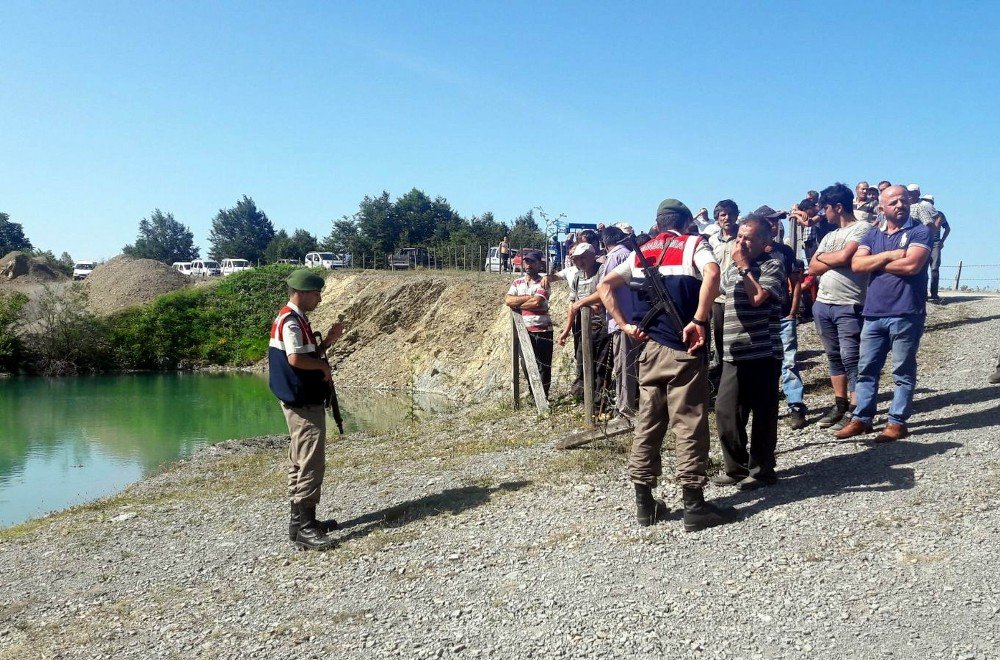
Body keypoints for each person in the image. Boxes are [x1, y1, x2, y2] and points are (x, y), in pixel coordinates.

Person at [598, 198, 737, 532]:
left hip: (650, 349)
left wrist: (625, 324)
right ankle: (694, 504)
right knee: (689, 422)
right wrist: (700, 320)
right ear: (688, 222)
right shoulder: (693, 244)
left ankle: (645, 504)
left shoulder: (642, 252)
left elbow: (604, 286)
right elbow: (713, 272)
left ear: (658, 223)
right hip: (685, 347)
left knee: (648, 421)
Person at [835, 185, 932, 442]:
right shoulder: (872, 234)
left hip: (906, 312)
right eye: (893, 202)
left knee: (902, 370)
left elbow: (912, 265)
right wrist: (889, 255)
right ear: (882, 208)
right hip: (874, 313)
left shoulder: (920, 231)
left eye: (903, 201)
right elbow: (856, 264)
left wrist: (875, 263)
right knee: (866, 368)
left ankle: (897, 422)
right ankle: (862, 418)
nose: (900, 205)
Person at [269, 270, 344, 551]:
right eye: (316, 293)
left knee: (299, 459)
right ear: (301, 292)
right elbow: (296, 359)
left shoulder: (293, 318)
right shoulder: (291, 321)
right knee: (311, 461)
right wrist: (323, 367)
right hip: (302, 402)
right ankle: (306, 527)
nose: (319, 299)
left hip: (299, 399)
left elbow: (304, 353)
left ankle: (297, 522)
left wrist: (327, 344)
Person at [713, 215, 786, 490]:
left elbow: (757, 298)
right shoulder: (732, 267)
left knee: (763, 413)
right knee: (726, 412)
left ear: (765, 242)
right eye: (739, 237)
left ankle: (762, 470)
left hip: (763, 351)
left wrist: (745, 267)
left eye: (749, 238)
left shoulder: (773, 265)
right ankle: (735, 468)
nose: (741, 242)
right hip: (734, 351)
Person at [809, 183, 873, 431]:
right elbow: (812, 266)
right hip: (823, 303)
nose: (823, 213)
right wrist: (828, 260)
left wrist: (825, 259)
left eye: (825, 208)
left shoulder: (863, 229)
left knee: (851, 357)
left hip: (849, 303)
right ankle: (840, 403)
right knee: (834, 356)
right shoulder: (829, 235)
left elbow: (845, 257)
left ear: (838, 207)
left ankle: (858, 409)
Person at [571, 226, 639, 418]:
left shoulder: (615, 257)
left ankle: (624, 411)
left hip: (621, 320)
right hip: (630, 318)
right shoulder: (628, 254)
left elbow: (604, 288)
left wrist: (582, 302)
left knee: (623, 367)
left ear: (603, 242)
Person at [759, 206, 806, 429]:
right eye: (770, 221)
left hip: (783, 314)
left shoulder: (785, 251)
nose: (775, 224)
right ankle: (765, 408)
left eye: (777, 221)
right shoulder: (751, 252)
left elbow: (795, 280)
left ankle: (795, 405)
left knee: (789, 361)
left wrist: (793, 309)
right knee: (762, 364)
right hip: (759, 316)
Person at [557, 243, 607, 401]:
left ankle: (600, 402)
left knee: (601, 365)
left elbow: (604, 293)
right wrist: (566, 330)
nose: (580, 262)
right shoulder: (578, 277)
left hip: (601, 326)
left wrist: (583, 302)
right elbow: (573, 304)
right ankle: (583, 398)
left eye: (583, 258)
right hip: (581, 327)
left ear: (593, 256)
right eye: (577, 259)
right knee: (582, 362)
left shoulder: (602, 271)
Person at [505, 250, 553, 398]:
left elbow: (537, 302)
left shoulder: (544, 282)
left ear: (539, 264)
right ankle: (534, 394)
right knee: (526, 364)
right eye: (526, 262)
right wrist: (527, 297)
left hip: (542, 330)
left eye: (532, 262)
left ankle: (542, 398)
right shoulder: (517, 282)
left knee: (543, 366)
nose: (528, 265)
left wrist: (517, 304)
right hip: (523, 330)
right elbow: (508, 300)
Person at [708, 199, 740, 394]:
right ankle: (722, 378)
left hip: (738, 294)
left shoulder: (743, 237)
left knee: (737, 337)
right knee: (719, 337)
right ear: (717, 219)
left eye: (730, 214)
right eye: (723, 215)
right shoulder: (712, 241)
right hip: (718, 298)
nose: (727, 218)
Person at [909, 190, 950, 303]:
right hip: (924, 242)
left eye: (929, 202)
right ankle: (923, 293)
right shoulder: (920, 212)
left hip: (935, 243)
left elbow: (947, 228)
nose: (927, 203)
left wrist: (942, 241)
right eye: (926, 201)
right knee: (922, 268)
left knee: (934, 268)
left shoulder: (939, 214)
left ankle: (934, 293)